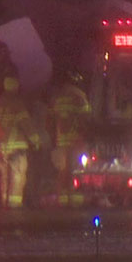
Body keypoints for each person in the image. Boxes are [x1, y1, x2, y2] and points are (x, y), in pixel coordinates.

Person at [0, 76, 41, 209]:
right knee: (17, 177)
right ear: (16, 87)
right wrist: (36, 140)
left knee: (4, 178)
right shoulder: (18, 104)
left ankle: (5, 204)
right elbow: (26, 124)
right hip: (18, 149)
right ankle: (14, 207)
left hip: (1, 149)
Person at [46, 69, 92, 207]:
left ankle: (62, 199)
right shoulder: (79, 95)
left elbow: (50, 119)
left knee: (62, 170)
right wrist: (86, 134)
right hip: (76, 139)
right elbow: (86, 117)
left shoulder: (57, 97)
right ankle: (75, 199)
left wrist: (52, 136)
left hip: (61, 140)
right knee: (76, 170)